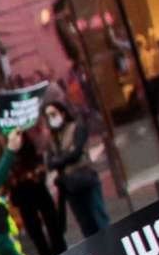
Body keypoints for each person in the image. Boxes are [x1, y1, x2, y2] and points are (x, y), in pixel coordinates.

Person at [41, 94, 110, 238]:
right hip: (69, 185)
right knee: (86, 225)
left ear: (63, 113)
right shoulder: (52, 139)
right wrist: (63, 157)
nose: (51, 119)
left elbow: (76, 153)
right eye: (48, 116)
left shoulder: (76, 128)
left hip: (85, 178)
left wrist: (60, 159)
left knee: (99, 218)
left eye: (53, 114)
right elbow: (50, 162)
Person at [4, 128, 66, 255]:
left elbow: (41, 169)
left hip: (37, 190)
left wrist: (29, 175)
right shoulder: (9, 156)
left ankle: (60, 251)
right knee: (35, 230)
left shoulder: (31, 150)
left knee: (52, 223)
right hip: (23, 196)